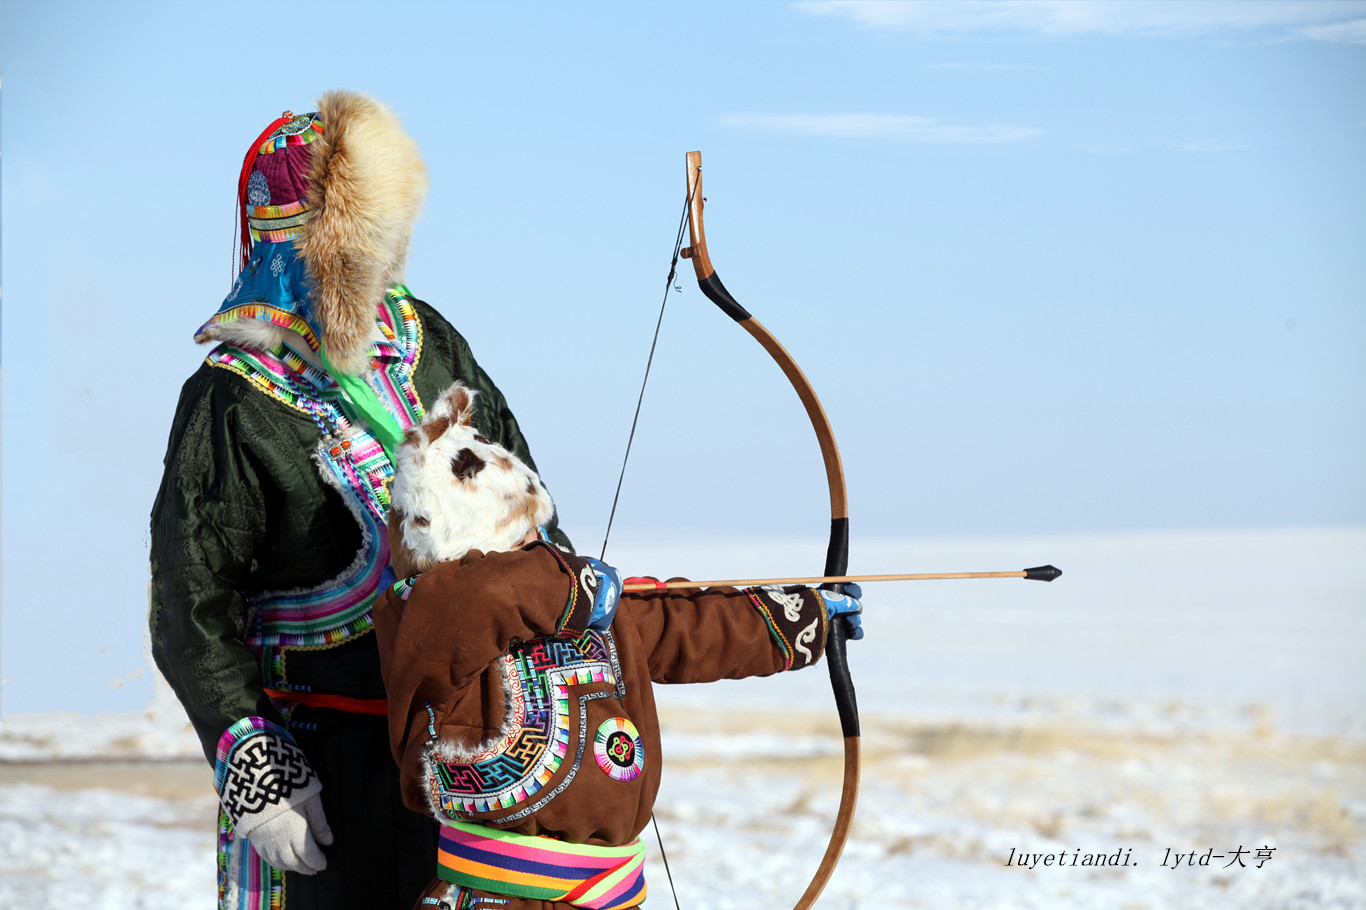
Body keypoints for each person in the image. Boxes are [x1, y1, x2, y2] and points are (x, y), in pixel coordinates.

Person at [148, 91, 571, 910]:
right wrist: (256, 765)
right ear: (315, 246)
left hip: (472, 743)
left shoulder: (425, 341)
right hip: (325, 768)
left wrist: (567, 618)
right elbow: (187, 602)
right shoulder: (231, 402)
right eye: (362, 238)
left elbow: (519, 488)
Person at [373, 381, 864, 910]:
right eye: (518, 540)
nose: (539, 551)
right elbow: (487, 591)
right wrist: (573, 586)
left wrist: (801, 618)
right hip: (494, 897)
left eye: (535, 537)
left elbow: (685, 625)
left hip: (605, 895)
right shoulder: (429, 616)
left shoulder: (580, 611)